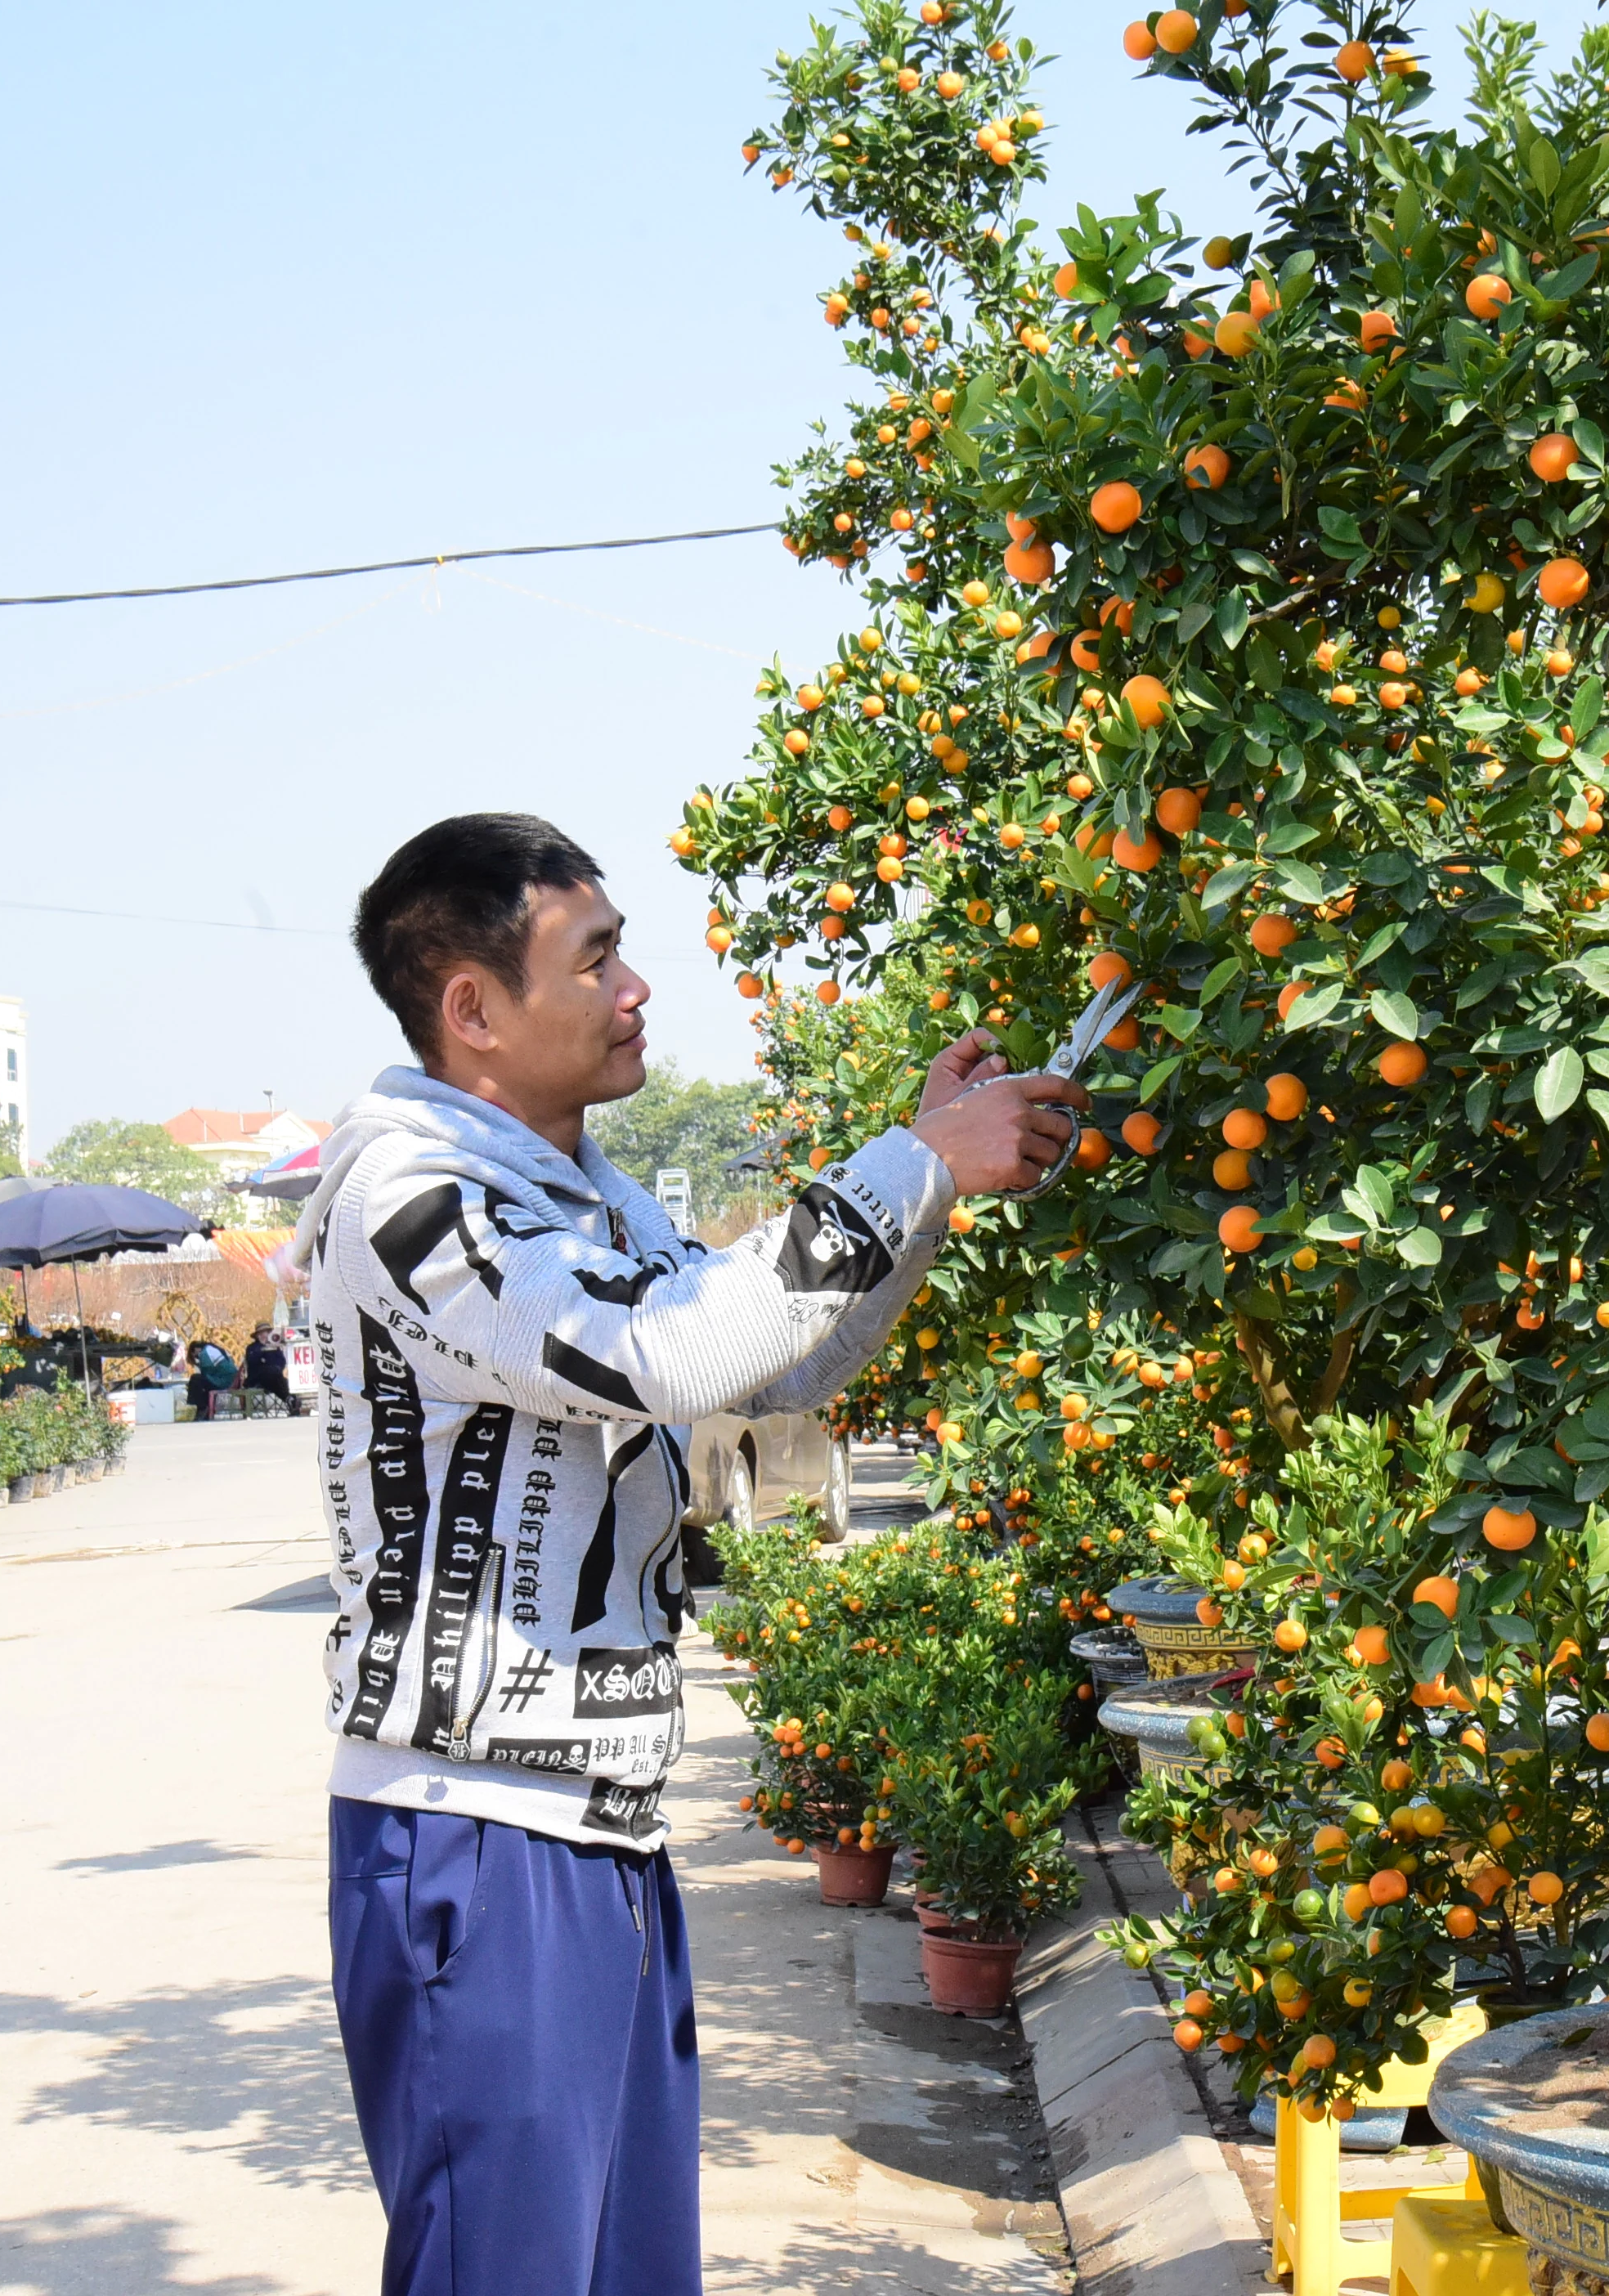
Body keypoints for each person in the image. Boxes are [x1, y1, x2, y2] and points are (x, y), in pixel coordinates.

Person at [292, 813, 1078, 2296]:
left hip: (594, 1824)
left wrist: (928, 1191)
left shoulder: (573, 1186)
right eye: (595, 959)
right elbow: (659, 1350)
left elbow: (764, 1364)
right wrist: (910, 1161)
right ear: (473, 1009)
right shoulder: (413, 1199)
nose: (638, 985)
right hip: (478, 1827)